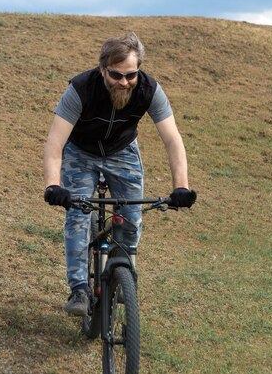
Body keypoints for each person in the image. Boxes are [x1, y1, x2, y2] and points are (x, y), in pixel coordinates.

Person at [43, 32, 196, 316]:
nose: (124, 82)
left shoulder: (149, 90)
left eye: (131, 75)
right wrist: (54, 185)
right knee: (78, 215)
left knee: (131, 217)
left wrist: (181, 187)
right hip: (81, 153)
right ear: (103, 69)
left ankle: (124, 274)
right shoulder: (80, 89)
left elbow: (173, 139)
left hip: (122, 152)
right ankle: (79, 289)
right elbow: (55, 143)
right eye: (116, 75)